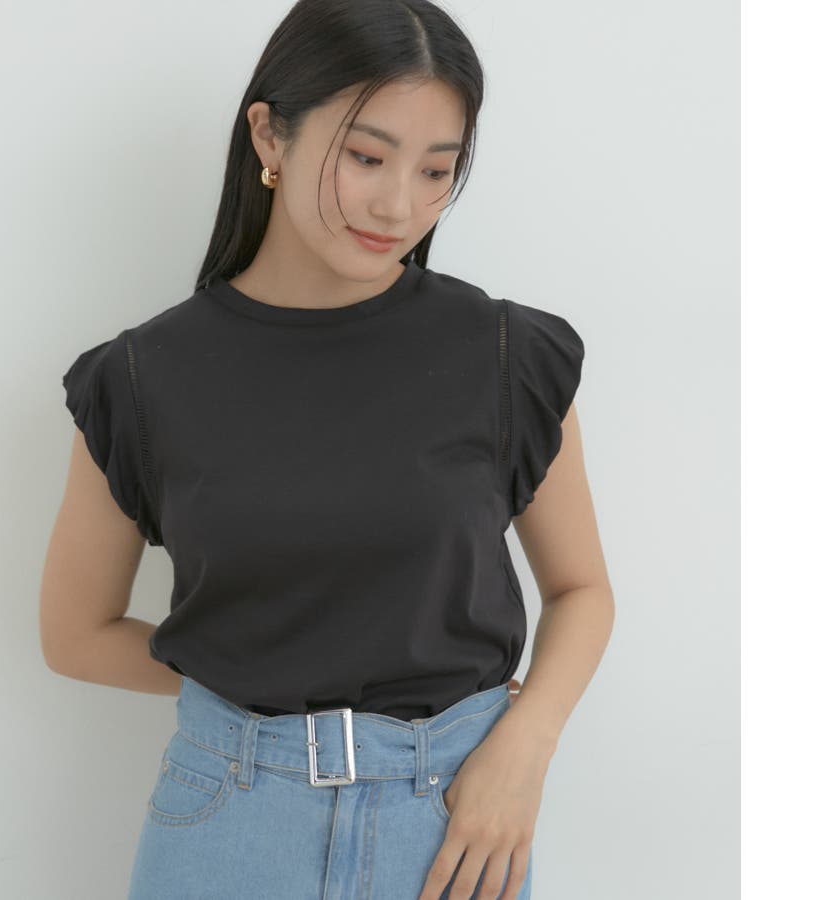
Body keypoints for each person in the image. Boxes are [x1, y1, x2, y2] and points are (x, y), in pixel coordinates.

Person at [39, 1, 615, 898]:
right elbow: (76, 636)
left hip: (455, 823)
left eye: (437, 169)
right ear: (269, 135)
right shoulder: (143, 379)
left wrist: (524, 748)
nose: (400, 205)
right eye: (367, 157)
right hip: (227, 825)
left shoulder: (506, 355)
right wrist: (251, 706)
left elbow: (581, 590)